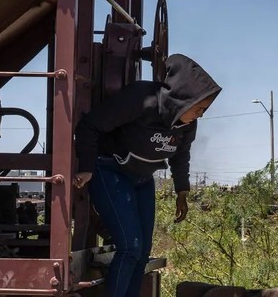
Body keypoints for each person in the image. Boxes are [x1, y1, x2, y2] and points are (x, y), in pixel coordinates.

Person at [73, 54, 221, 297]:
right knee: (130, 247)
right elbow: (90, 125)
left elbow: (181, 155)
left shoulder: (187, 124)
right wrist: (87, 168)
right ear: (184, 98)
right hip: (110, 170)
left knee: (142, 253)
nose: (201, 115)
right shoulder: (142, 99)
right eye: (199, 108)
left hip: (142, 179)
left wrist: (182, 190)